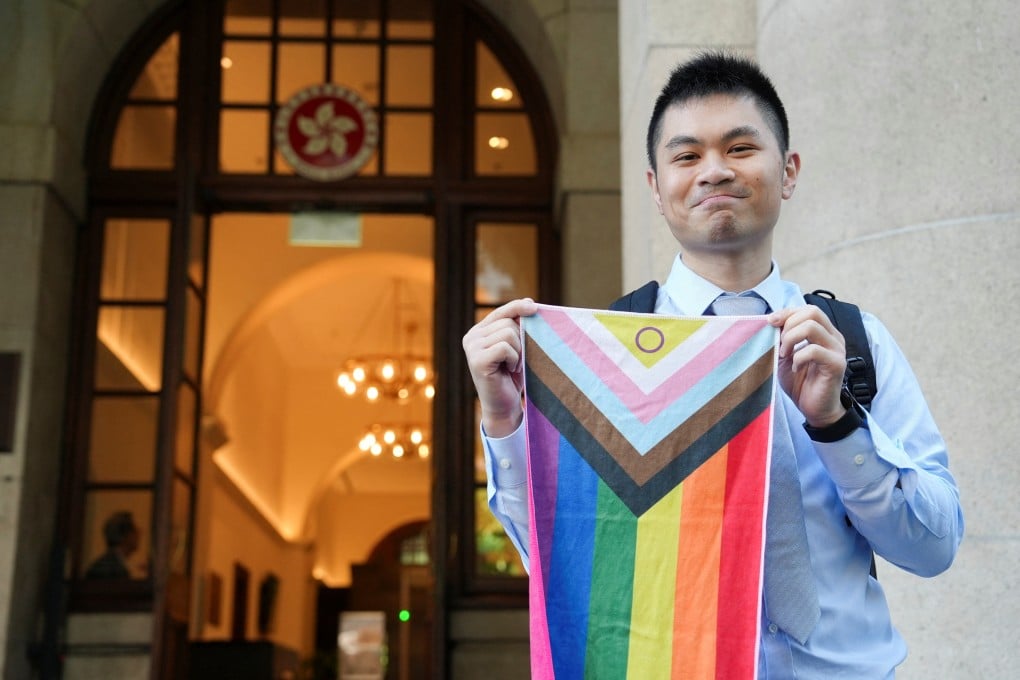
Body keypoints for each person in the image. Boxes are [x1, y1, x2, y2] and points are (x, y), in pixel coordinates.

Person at [462, 52, 964, 678]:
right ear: (656, 187)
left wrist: (837, 425)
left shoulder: (855, 343)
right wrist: (506, 423)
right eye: (687, 155)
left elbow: (935, 548)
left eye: (741, 147)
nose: (715, 171)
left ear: (789, 171)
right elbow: (558, 568)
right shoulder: (604, 355)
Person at [84, 510, 140, 579]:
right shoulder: (107, 568)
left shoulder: (112, 564)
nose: (138, 534)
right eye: (134, 530)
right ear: (125, 535)